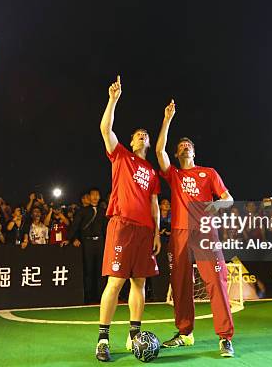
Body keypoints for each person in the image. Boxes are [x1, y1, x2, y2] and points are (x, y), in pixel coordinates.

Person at [156, 99, 235, 357]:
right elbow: (159, 152)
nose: (185, 147)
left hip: (204, 233)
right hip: (179, 233)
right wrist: (167, 119)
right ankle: (184, 333)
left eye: (188, 144)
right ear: (178, 154)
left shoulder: (208, 172)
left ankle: (225, 337)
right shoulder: (175, 176)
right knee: (180, 285)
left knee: (215, 281)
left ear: (194, 151)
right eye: (180, 146)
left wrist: (218, 206)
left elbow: (228, 199)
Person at [92, 75, 161, 362]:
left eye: (146, 134)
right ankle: (103, 339)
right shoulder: (120, 155)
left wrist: (157, 231)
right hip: (121, 225)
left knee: (139, 284)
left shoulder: (153, 172)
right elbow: (105, 128)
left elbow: (155, 203)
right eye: (138, 134)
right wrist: (113, 100)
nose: (143, 136)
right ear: (131, 141)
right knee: (116, 282)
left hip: (145, 231)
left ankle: (134, 335)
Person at [64, 188, 108, 303]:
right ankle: (88, 298)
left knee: (101, 271)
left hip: (100, 243)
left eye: (97, 195)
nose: (95, 197)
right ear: (89, 197)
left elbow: (106, 228)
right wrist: (71, 239)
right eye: (92, 195)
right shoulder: (82, 211)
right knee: (88, 270)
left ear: (99, 197)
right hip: (87, 243)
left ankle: (101, 297)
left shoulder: (103, 211)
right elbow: (75, 226)